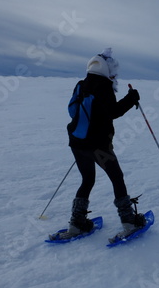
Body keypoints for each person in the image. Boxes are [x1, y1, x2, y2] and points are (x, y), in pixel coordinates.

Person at [51, 48, 145, 240]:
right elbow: (113, 112)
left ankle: (76, 225)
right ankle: (128, 222)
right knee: (117, 178)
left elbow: (72, 111)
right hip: (98, 146)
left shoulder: (81, 84)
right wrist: (131, 98)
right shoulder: (104, 86)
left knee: (87, 180)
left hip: (77, 143)